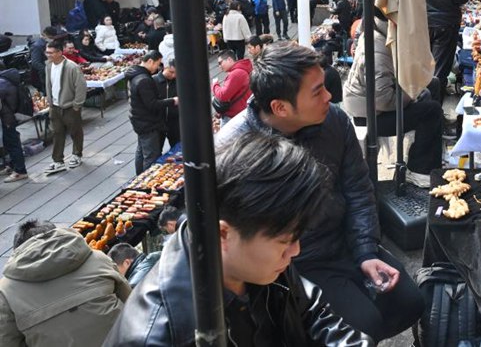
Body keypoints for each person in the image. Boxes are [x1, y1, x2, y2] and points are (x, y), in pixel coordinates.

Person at [215, 43, 423, 341]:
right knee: (364, 323)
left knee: (409, 302)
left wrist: (365, 250)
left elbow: (359, 189)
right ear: (280, 107)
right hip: (290, 264)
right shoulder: (236, 148)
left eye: (325, 86)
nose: (328, 96)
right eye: (317, 92)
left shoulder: (335, 121)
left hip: (343, 242)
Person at [106, 133, 372, 346]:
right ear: (223, 234)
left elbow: (308, 309)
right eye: (285, 241)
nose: (295, 251)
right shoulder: (159, 334)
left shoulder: (258, 252)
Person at [344, 6, 443, 188]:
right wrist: (413, 94)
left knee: (432, 83)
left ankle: (427, 149)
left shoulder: (382, 32)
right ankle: (420, 171)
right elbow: (384, 99)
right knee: (432, 111)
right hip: (370, 116)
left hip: (379, 102)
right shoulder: (377, 48)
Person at [0, 219, 130, 346]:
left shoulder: (5, 291)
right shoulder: (100, 259)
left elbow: (6, 341)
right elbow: (131, 303)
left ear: (18, 250)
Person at [126, 51, 177, 174]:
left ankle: (139, 178)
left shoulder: (136, 76)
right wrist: (172, 101)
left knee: (141, 152)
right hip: (148, 122)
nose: (157, 67)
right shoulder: (144, 80)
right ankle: (146, 182)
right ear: (150, 61)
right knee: (151, 156)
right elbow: (152, 104)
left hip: (140, 121)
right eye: (157, 64)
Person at [44, 38, 87, 175]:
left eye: (51, 53)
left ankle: (77, 154)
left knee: (75, 131)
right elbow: (48, 84)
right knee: (57, 133)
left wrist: (77, 105)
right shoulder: (48, 66)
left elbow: (80, 86)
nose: (48, 55)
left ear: (59, 52)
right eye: (47, 52)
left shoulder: (71, 66)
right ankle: (58, 160)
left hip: (69, 106)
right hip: (55, 106)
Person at [0, 68, 28, 182]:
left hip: (7, 118)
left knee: (12, 143)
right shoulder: (6, 80)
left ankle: (20, 171)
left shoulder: (1, 84)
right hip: (10, 116)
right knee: (9, 142)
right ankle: (12, 166)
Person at [212, 50, 253, 124]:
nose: (219, 66)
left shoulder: (236, 73)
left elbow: (222, 95)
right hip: (241, 113)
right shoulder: (242, 70)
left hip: (234, 116)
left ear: (229, 60)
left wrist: (215, 84)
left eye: (220, 63)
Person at [153, 58, 180, 149]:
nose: (174, 75)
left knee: (177, 148)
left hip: (175, 121)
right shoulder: (153, 81)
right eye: (171, 72)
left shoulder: (179, 81)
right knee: (155, 150)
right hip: (158, 122)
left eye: (176, 73)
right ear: (165, 68)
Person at [29, 26, 56, 93]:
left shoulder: (47, 43)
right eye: (51, 37)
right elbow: (35, 63)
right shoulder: (37, 46)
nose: (52, 39)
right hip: (42, 76)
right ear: (45, 35)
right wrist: (46, 70)